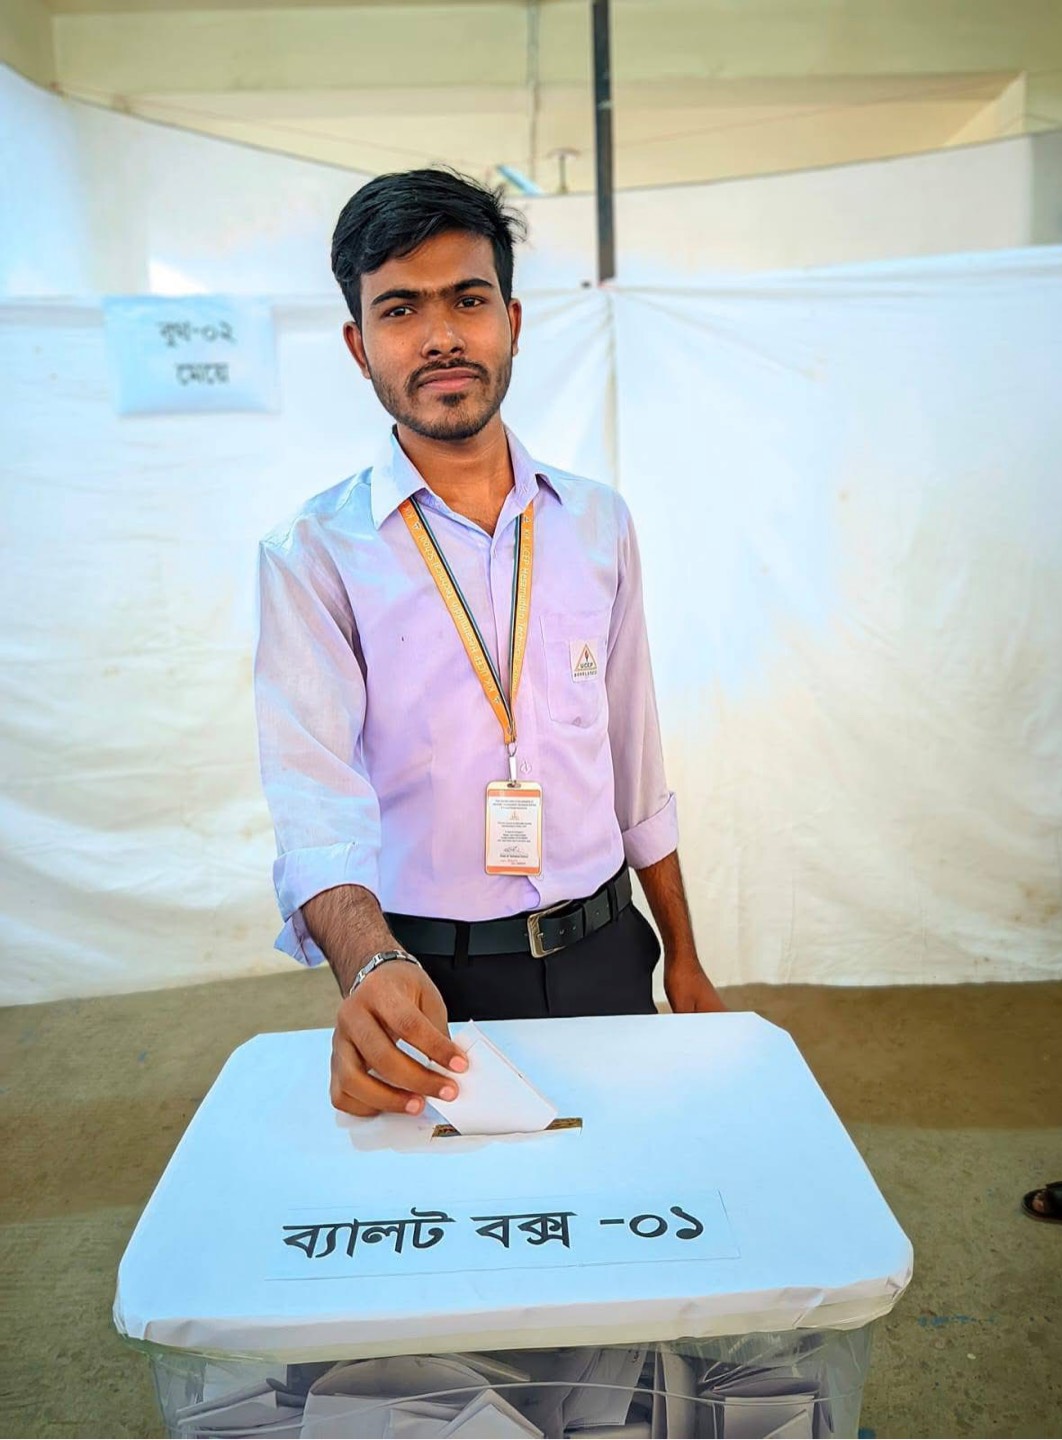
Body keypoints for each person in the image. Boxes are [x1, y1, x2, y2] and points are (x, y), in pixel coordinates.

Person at [255, 168, 723, 1121]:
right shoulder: (313, 553)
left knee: (626, 1175)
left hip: (606, 951)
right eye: (400, 309)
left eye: (467, 300)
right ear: (358, 345)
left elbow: (634, 756)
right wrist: (371, 965)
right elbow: (315, 804)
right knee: (460, 1206)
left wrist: (684, 953)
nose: (440, 337)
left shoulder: (597, 522)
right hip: (432, 976)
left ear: (510, 320)